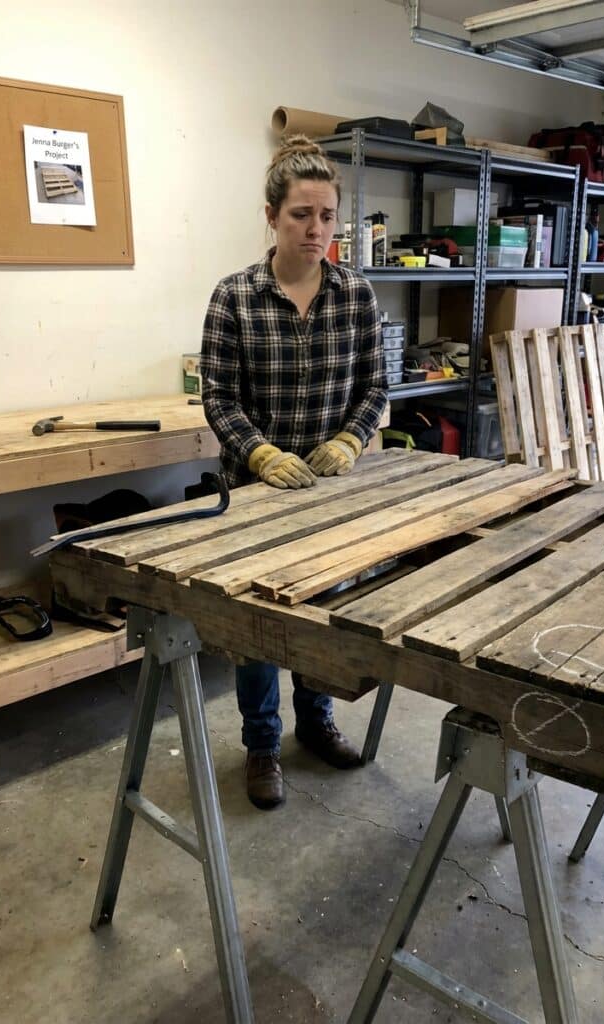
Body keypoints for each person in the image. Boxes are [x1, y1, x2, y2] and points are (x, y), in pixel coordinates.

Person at [200, 134, 388, 810]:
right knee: (258, 630)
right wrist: (259, 454)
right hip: (254, 495)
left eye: (327, 216)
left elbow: (374, 387)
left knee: (323, 616)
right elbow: (217, 396)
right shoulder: (234, 298)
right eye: (300, 215)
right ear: (271, 217)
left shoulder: (356, 296)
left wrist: (350, 439)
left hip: (328, 494)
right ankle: (261, 745)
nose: (316, 231)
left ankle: (315, 720)